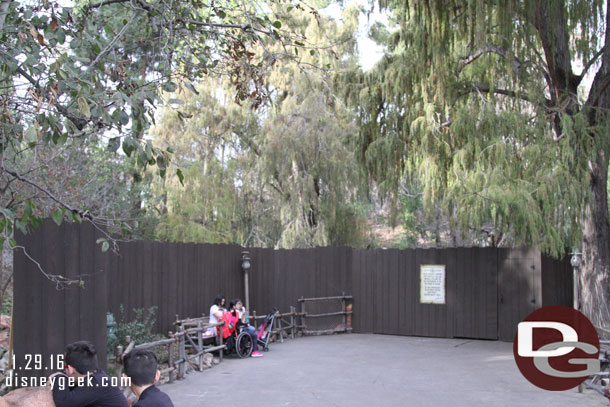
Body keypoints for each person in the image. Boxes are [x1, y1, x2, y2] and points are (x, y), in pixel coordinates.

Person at [50, 340, 129, 407]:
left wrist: (59, 377)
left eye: (65, 369)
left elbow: (64, 403)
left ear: (70, 369)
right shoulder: (98, 377)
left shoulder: (95, 382)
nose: (64, 372)